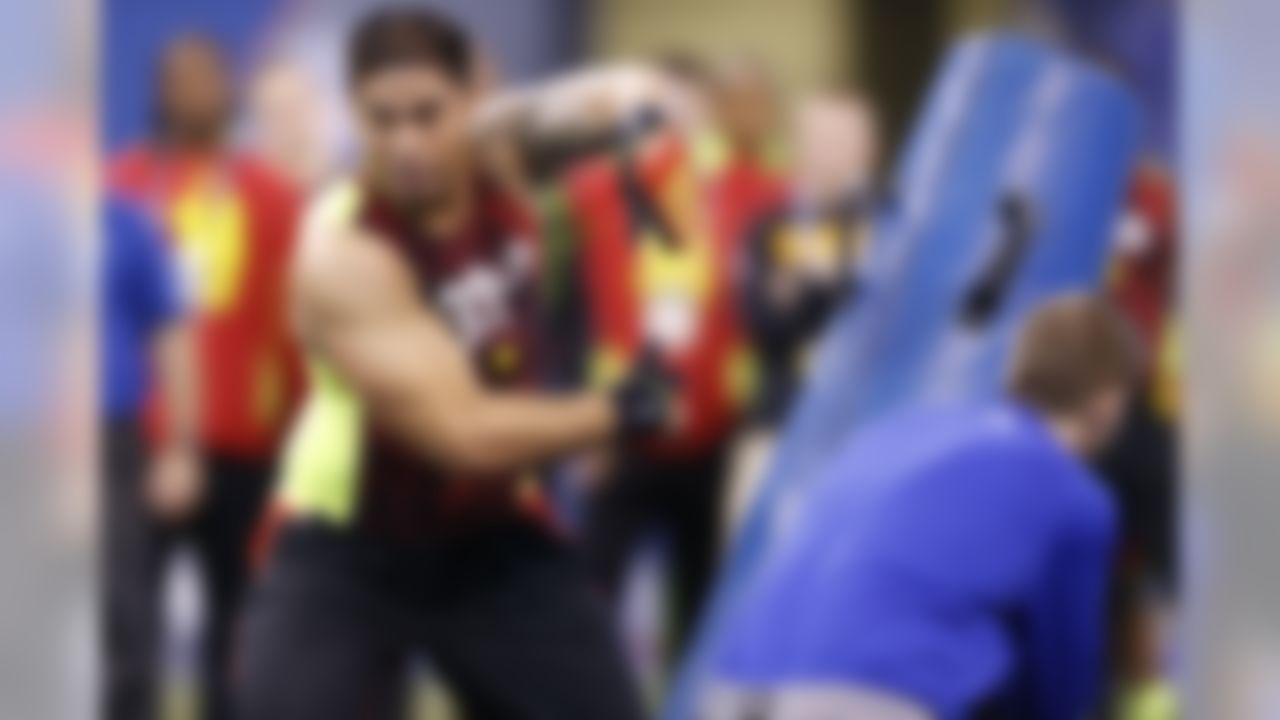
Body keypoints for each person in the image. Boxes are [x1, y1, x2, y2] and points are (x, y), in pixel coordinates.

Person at [236, 9, 674, 719]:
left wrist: (643, 125)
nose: (406, 143)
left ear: (471, 101)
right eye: (382, 120)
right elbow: (463, 435)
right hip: (347, 547)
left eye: (427, 115)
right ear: (355, 115)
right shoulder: (344, 251)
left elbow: (637, 94)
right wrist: (618, 407)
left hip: (490, 537)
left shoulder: (498, 157)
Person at [706, 294, 1140, 720]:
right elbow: (1058, 695)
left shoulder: (901, 429)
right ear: (1108, 405)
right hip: (868, 698)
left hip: (733, 689)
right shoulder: (1074, 500)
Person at [107, 34, 302, 720]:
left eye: (207, 77)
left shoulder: (272, 196)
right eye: (178, 79)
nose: (194, 92)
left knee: (240, 631)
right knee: (127, 627)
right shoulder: (121, 186)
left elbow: (295, 325)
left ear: (230, 90)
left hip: (249, 449)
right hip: (141, 445)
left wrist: (294, 434)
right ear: (157, 93)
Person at [723, 90, 882, 539]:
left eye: (840, 138)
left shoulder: (893, 224)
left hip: (864, 424)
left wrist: (807, 286)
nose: (826, 150)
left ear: (869, 148)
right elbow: (760, 320)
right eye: (817, 137)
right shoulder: (769, 227)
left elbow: (884, 313)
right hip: (779, 417)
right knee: (752, 555)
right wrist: (831, 282)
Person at [100, 196, 199, 720]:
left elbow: (171, 333)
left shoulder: (126, 227)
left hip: (108, 436)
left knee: (123, 612)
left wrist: (180, 447)